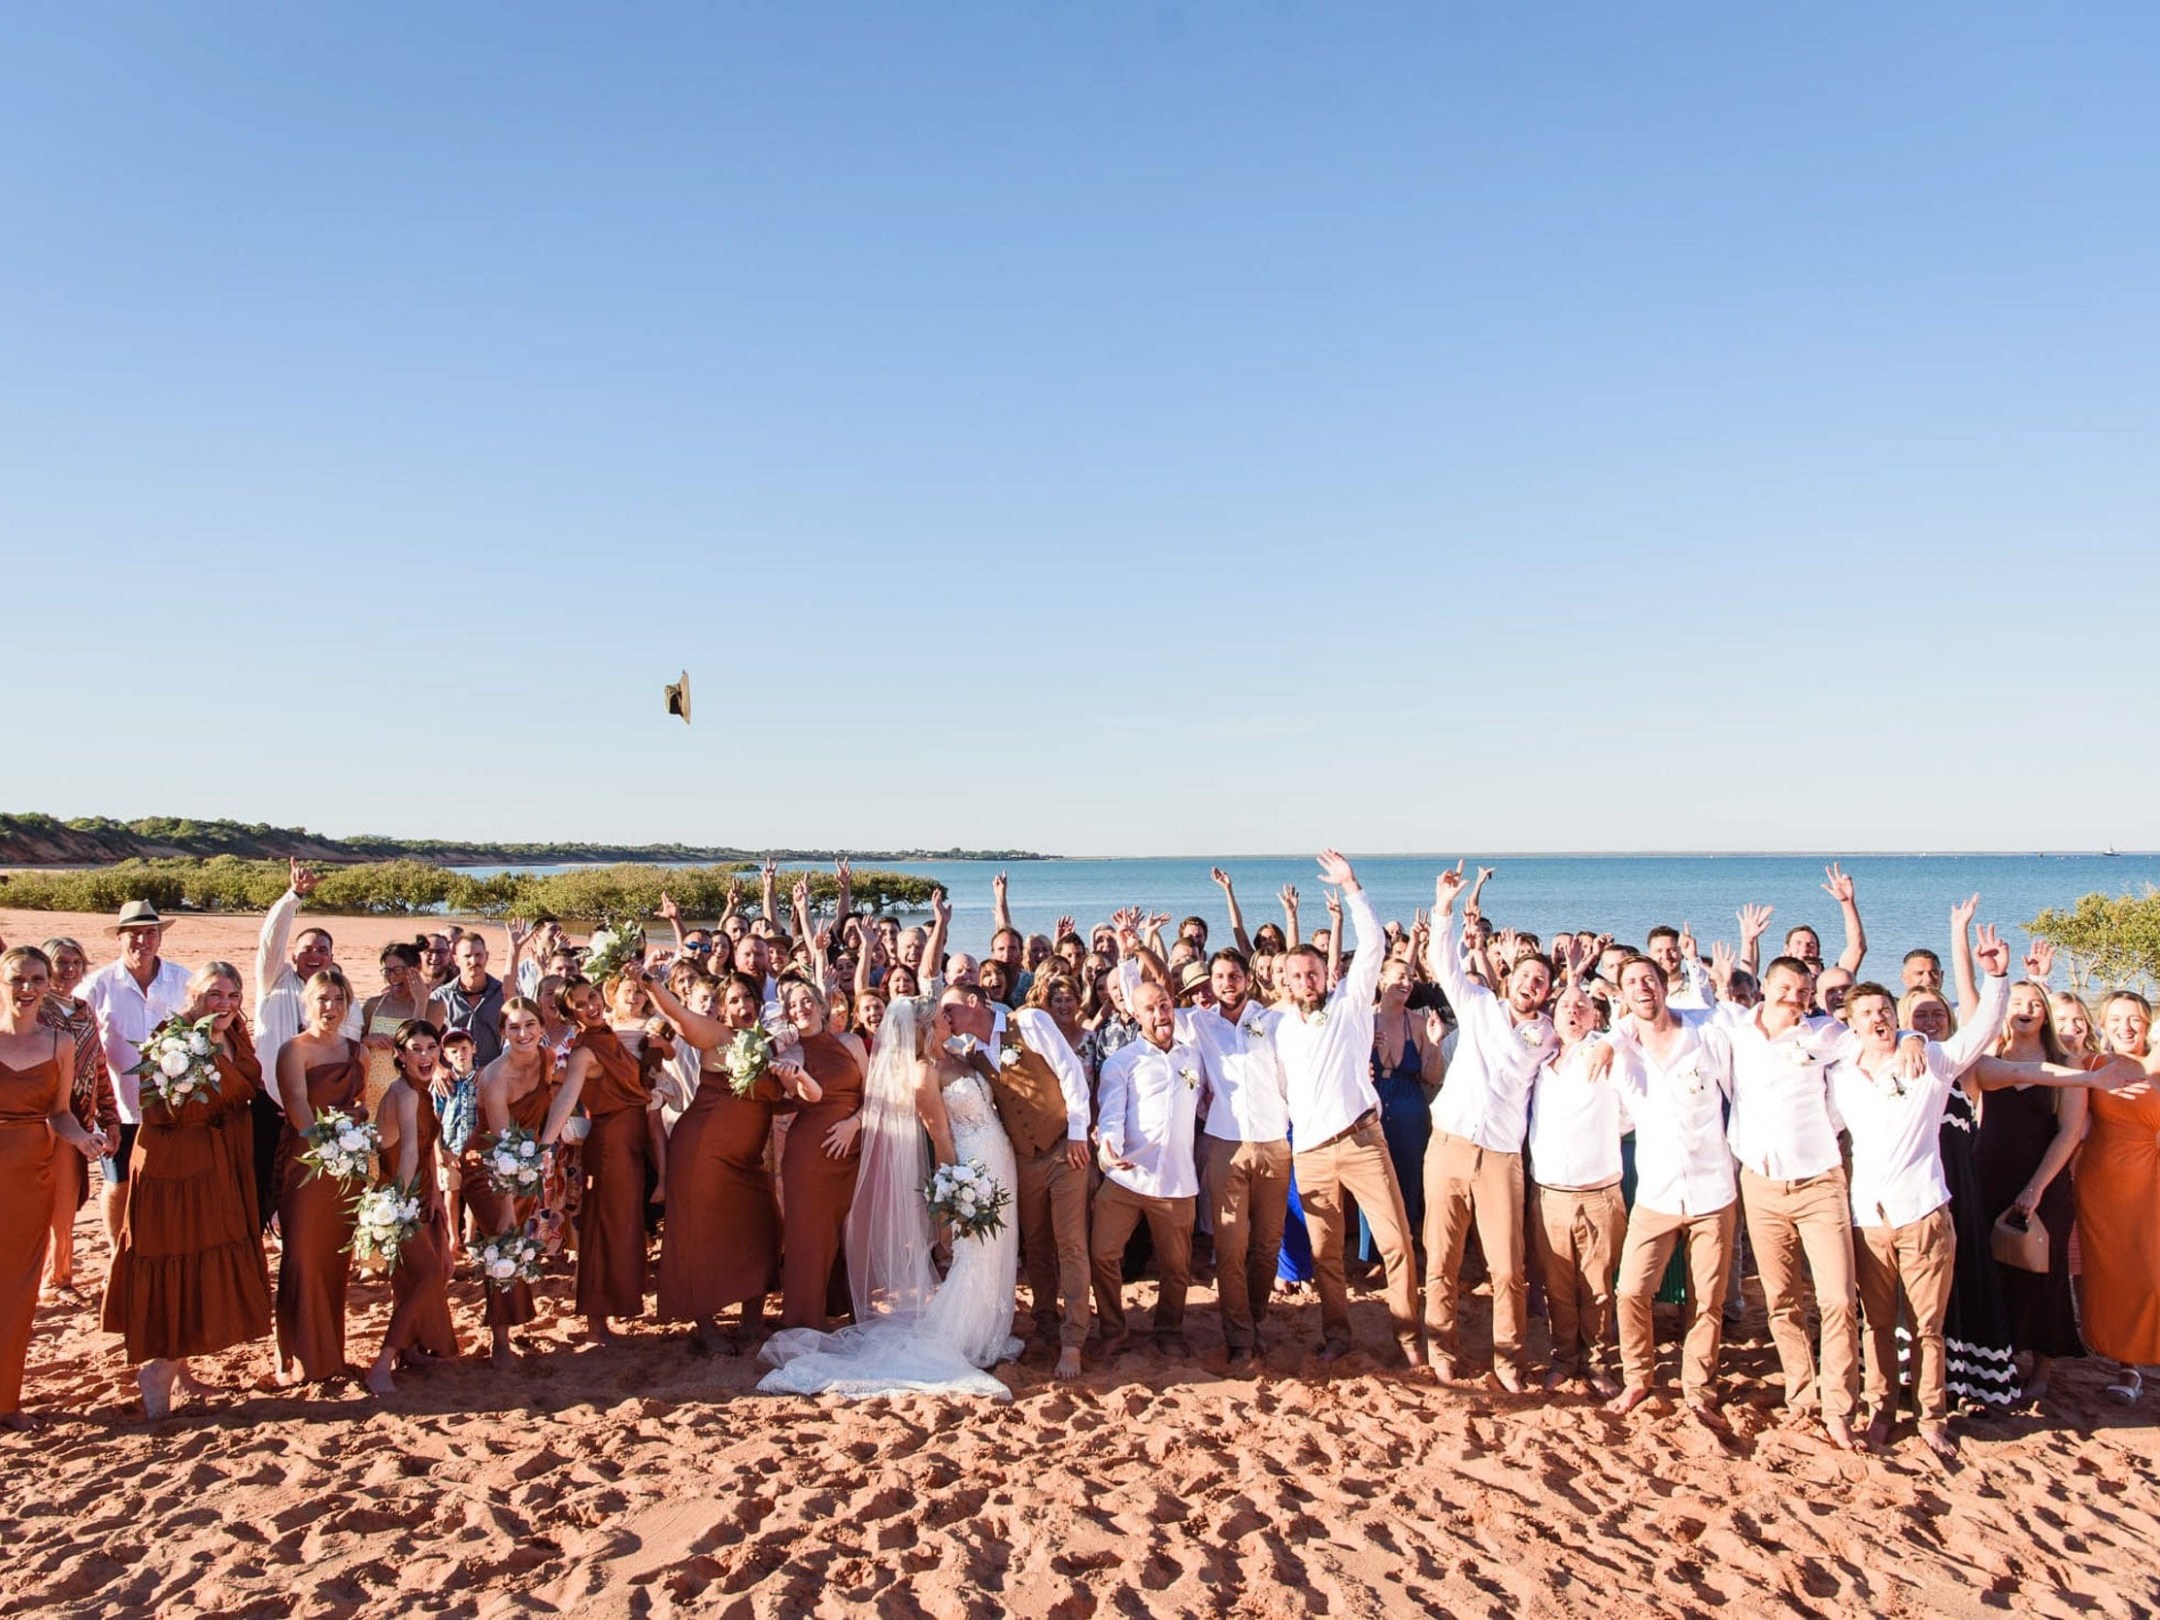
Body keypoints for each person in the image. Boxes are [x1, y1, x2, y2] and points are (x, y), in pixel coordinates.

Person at [757, 994, 1020, 1399]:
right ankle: (966, 1336)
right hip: (973, 1164)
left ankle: (990, 1330)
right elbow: (940, 1136)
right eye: (942, 1016)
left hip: (997, 1153)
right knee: (976, 1254)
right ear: (927, 1028)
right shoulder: (921, 1074)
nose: (950, 1019)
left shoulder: (957, 1053)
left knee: (997, 1248)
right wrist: (960, 1185)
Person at [1268, 850, 1420, 1365]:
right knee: (1325, 1254)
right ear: (1285, 983)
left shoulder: (1350, 1005)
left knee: (1397, 1240)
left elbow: (1374, 943)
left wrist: (1352, 886)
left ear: (1325, 976)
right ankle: (1337, 1333)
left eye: (1313, 973)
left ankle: (1408, 1334)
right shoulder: (1278, 1026)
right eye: (1297, 976)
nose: (1306, 981)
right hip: (1309, 1151)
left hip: (1361, 1140)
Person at [1421, 861, 1553, 1390]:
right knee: (1442, 1257)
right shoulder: (1478, 1007)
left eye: (1540, 981)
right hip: (1449, 1144)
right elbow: (1441, 960)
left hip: (1500, 1157)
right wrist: (1444, 907)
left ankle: (1509, 1361)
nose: (1530, 985)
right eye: (1524, 976)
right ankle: (1441, 1350)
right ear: (1510, 978)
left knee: (1507, 1268)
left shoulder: (1549, 1036)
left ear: (1548, 990)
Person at [643, 969, 818, 1355]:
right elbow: (678, 1015)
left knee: (763, 1227)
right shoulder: (718, 1038)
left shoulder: (769, 1046)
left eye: (749, 999)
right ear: (721, 1009)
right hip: (703, 1151)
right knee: (701, 1234)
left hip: (747, 1158)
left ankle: (751, 1320)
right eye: (735, 1000)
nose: (744, 1006)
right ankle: (705, 1325)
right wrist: (649, 983)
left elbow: (781, 1100)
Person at [1602, 955, 1740, 1424]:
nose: (1642, 988)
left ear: (1665, 986)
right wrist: (1610, 1038)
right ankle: (1638, 1378)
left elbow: (1745, 1088)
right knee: (1631, 1291)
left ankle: (1699, 1387)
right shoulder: (1621, 1054)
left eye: (1649, 980)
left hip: (1712, 1191)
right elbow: (1614, 1113)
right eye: (1631, 983)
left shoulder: (1705, 1036)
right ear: (1621, 996)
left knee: (1707, 1299)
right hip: (1656, 1195)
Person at [0, 947, 104, 1428]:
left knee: (18, 1290)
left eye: (36, 979)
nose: (28, 989)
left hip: (31, 1177)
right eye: (18, 979)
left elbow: (59, 1112)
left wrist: (83, 1140)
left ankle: (6, 1400)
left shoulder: (60, 1041)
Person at [539, 974, 667, 1344]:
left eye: (592, 996)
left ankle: (609, 1311)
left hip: (631, 1141)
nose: (591, 1005)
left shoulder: (607, 1034)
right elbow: (567, 1098)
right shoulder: (584, 1051)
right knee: (604, 1228)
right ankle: (596, 1321)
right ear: (570, 1014)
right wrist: (546, 1145)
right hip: (610, 1145)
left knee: (625, 1228)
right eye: (580, 1004)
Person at [1976, 982, 2088, 1402]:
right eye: (2017, 1003)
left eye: (2035, 1003)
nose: (2026, 1009)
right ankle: (1999, 1361)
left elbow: (2070, 1133)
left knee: (2045, 1273)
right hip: (1988, 1176)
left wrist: (2035, 1188)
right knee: (1994, 1271)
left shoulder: (2067, 1063)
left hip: (2046, 1182)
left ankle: (2042, 1367)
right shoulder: (1988, 1059)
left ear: (2046, 1014)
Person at [981, 976, 1094, 1380]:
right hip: (1024, 1160)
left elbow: (1070, 1072)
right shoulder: (972, 1050)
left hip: (1065, 1148)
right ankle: (1046, 1320)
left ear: (975, 1006)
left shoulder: (1029, 1022)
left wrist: (1079, 1132)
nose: (948, 1016)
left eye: (953, 1009)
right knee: (1037, 1245)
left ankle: (1074, 1338)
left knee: (1071, 1244)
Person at [1183, 948, 1290, 1373]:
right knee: (1229, 1247)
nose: (1227, 982)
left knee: (1267, 1245)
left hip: (1274, 1143)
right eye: (1219, 976)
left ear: (1248, 979)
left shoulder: (1274, 1021)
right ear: (1210, 983)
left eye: (1233, 975)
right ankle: (1239, 1336)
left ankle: (1255, 1316)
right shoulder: (1198, 1024)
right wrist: (1139, 947)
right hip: (1225, 1144)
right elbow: (1148, 1008)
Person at [1089, 981, 1205, 1358]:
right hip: (1126, 1176)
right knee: (1103, 1253)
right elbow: (1110, 1114)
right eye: (1150, 1010)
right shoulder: (1122, 1061)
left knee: (1176, 1265)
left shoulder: (1192, 1057)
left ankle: (1169, 1328)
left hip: (1176, 1179)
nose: (1160, 1015)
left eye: (1165, 1005)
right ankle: (1112, 1327)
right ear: (1136, 1016)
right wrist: (1108, 1151)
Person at [1527, 982, 1628, 1396]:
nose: (1573, 1011)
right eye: (1565, 1005)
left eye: (1582, 1006)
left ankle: (1598, 1361)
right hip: (1549, 1193)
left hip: (1598, 1192)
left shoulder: (1606, 1054)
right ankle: (1564, 1358)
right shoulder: (1541, 1060)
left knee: (1599, 1286)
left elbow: (1629, 1113)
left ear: (1595, 1017)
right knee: (1559, 1287)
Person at [77, 901, 194, 1251]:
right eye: (134, 935)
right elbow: (79, 1042)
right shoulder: (97, 985)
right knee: (118, 1181)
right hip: (118, 1105)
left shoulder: (183, 980)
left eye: (149, 933)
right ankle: (116, 1250)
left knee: (170, 1180)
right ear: (119, 939)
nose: (142, 941)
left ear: (159, 938)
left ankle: (163, 1244)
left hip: (173, 1104)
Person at [254, 861, 365, 1231]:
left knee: (312, 1191)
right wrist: (294, 897)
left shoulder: (345, 999)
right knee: (263, 1185)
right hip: (269, 1106)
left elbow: (346, 1053)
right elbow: (270, 938)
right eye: (307, 948)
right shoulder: (274, 980)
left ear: (331, 957)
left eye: (322, 949)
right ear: (294, 955)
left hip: (322, 1115)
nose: (314, 954)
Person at [274, 968, 368, 1385]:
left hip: (347, 1167)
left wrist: (356, 1129)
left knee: (335, 1260)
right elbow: (297, 1104)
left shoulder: (357, 1050)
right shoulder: (294, 1050)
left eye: (338, 1000)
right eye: (322, 999)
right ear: (307, 1002)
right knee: (303, 1257)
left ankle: (331, 1354)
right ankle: (296, 1359)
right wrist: (325, 1146)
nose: (330, 1008)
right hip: (307, 1163)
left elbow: (367, 1104)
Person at [362, 1021, 460, 1394]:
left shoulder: (424, 1091)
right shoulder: (402, 1094)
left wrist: (434, 1189)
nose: (425, 1056)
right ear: (400, 1056)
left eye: (431, 1047)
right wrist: (402, 1207)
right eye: (416, 1050)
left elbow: (425, 1146)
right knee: (429, 1276)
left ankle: (412, 1349)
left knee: (416, 1278)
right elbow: (404, 1152)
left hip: (420, 1190)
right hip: (397, 1196)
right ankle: (381, 1365)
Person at [464, 997, 558, 1365]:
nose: (524, 1033)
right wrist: (505, 1207)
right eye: (514, 1027)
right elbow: (500, 1151)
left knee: (515, 1243)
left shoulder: (548, 1060)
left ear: (541, 1027)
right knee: (502, 1241)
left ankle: (511, 1326)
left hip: (525, 1168)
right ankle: (499, 1341)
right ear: (502, 1032)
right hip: (487, 1168)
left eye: (530, 1024)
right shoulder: (494, 1077)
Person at [773, 975, 868, 1331]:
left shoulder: (851, 1042)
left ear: (823, 1005)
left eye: (807, 1001)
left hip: (854, 1148)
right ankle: (804, 1321)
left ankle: (852, 1310)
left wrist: (854, 1125)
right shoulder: (790, 1054)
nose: (801, 1009)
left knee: (855, 1236)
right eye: (792, 1005)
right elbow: (802, 1095)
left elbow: (875, 1096)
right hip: (810, 1156)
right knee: (809, 1237)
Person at [2080, 992, 2160, 1405]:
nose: (2126, 1027)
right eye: (2116, 1019)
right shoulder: (2093, 1065)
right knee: (2125, 1275)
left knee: (2154, 1273)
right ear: (2103, 1023)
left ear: (2148, 1023)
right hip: (2107, 1184)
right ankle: (2129, 1366)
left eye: (2134, 1019)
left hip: (2155, 1179)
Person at [37, 937, 116, 1300]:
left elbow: (99, 1067)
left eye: (74, 962)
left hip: (77, 1121)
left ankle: (60, 1277)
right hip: (35, 1120)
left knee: (65, 1203)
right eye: (59, 962)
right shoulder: (34, 1010)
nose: (68, 970)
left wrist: (109, 1117)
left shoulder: (84, 1011)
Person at [1359, 958, 1443, 1269]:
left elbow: (1432, 1076)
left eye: (1410, 977)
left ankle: (1405, 1246)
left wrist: (1434, 1044)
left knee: (1408, 1179)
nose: (1407, 983)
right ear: (1381, 981)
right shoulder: (1362, 1021)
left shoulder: (1420, 1024)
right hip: (1372, 1105)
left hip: (1410, 1107)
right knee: (1372, 1179)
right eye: (1399, 977)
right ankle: (1375, 1254)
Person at [430, 933, 506, 1068]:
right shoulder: (441, 997)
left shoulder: (503, 995)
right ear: (456, 960)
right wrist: (438, 1070)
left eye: (478, 955)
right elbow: (428, 1040)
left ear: (486, 956)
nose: (474, 961)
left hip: (494, 1076)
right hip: (453, 1080)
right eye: (467, 956)